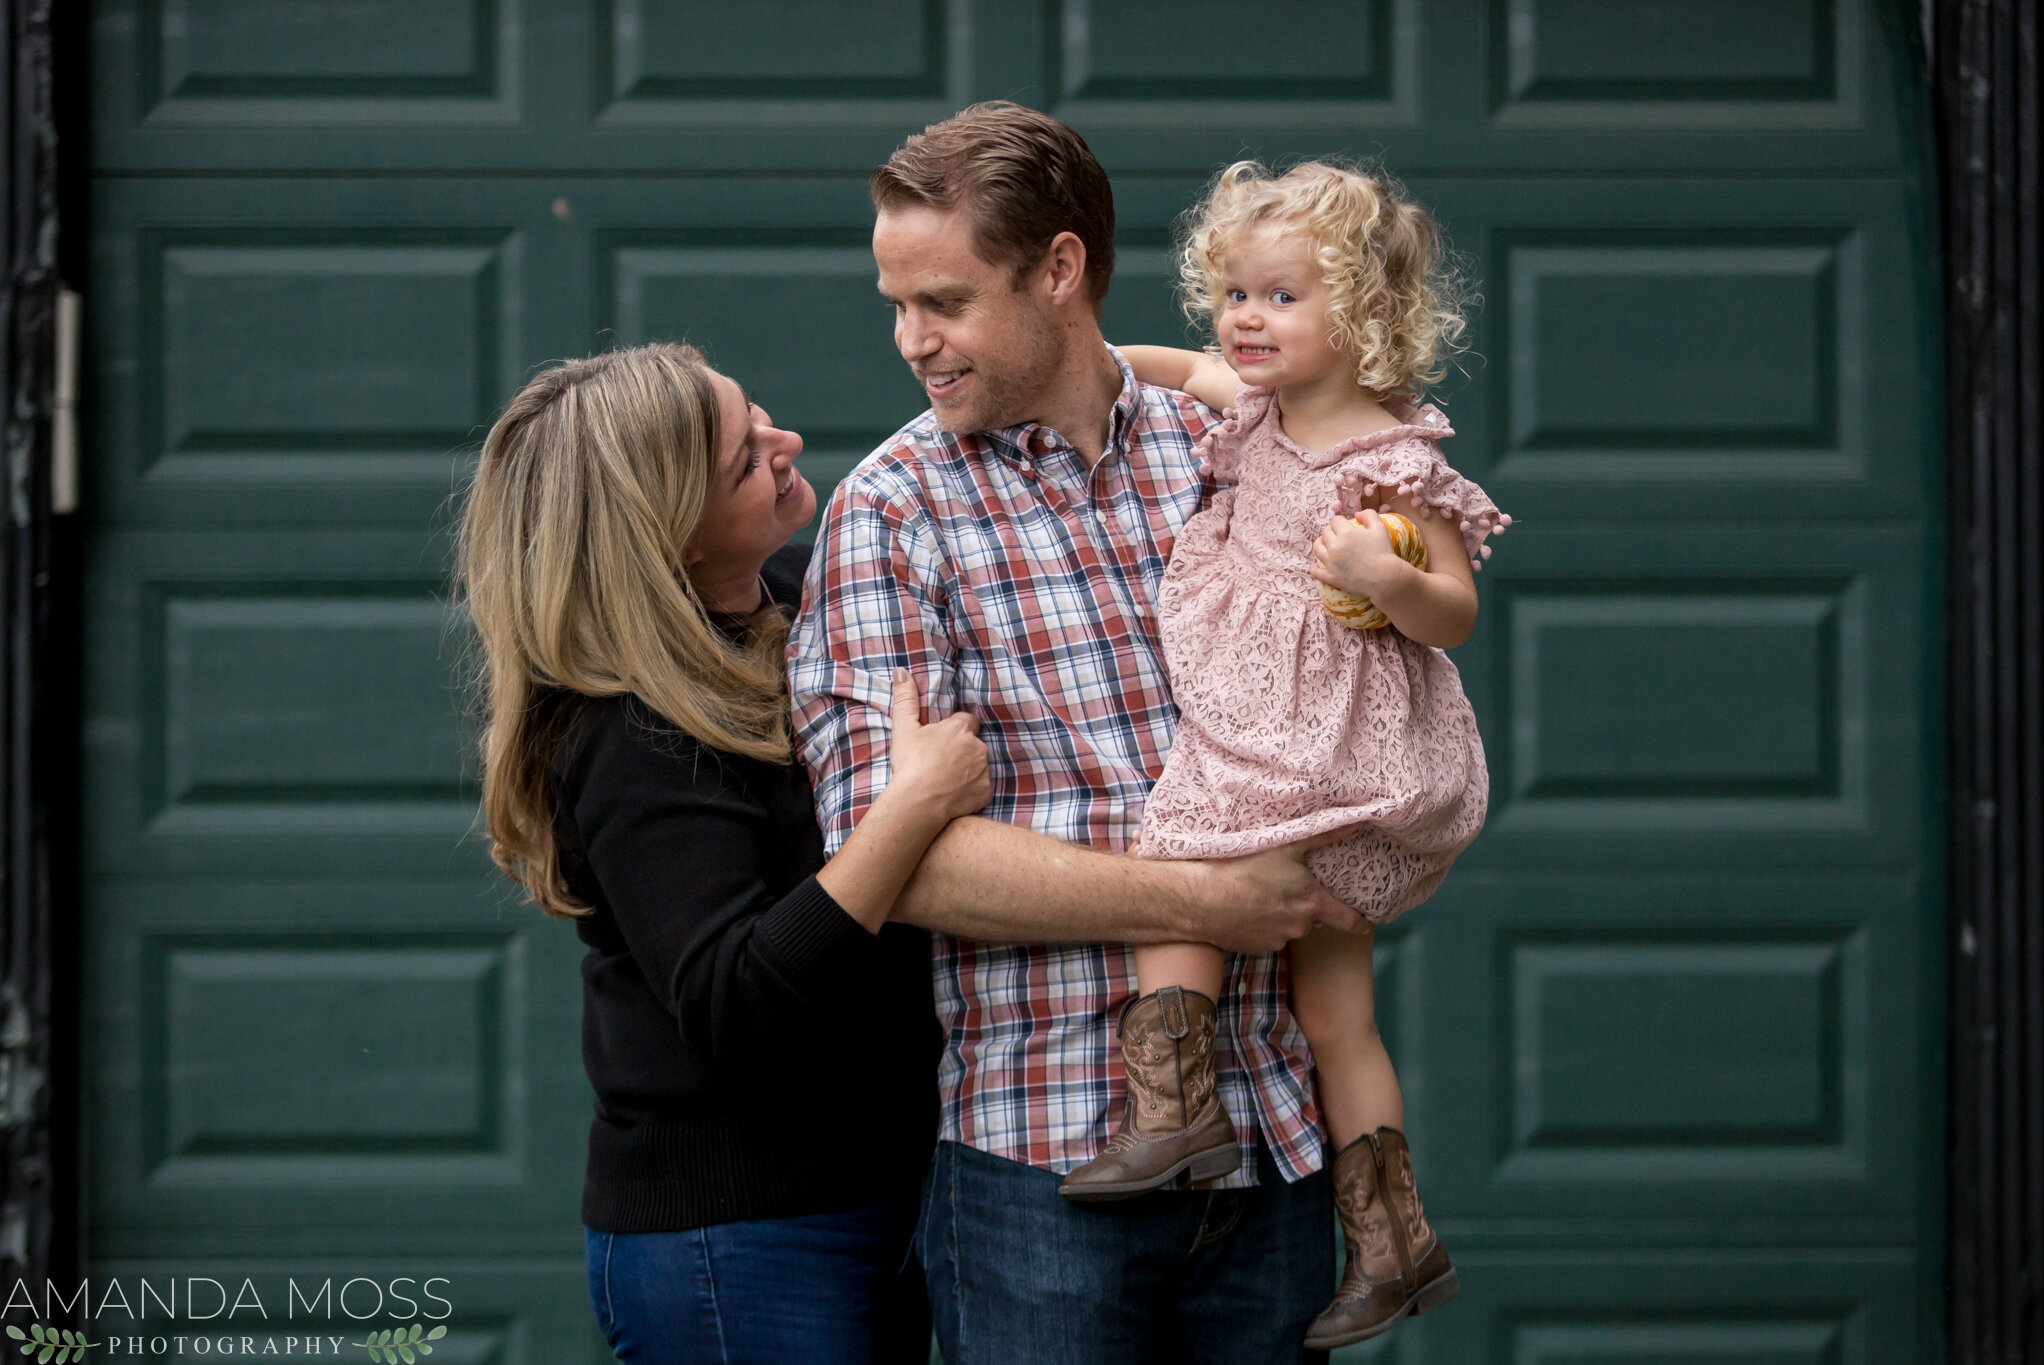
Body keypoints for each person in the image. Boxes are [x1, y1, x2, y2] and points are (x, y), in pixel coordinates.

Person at [788, 103, 1363, 1364]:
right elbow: (902, 866)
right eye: (895, 305)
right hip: (1037, 1166)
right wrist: (1202, 903)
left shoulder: (1233, 452)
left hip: (1274, 1140)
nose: (910, 343)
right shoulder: (891, 517)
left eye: (941, 301)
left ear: (1057, 269)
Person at [458, 342, 990, 1365]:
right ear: (669, 538)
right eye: (746, 459)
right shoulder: (625, 730)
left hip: (890, 1199)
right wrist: (911, 811)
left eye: (760, 418)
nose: (785, 445)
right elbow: (732, 997)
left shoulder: (797, 596)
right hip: (737, 1245)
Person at [1066, 159, 1508, 1349]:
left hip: (1315, 745)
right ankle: (1391, 1244)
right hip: (1301, 740)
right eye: (1236, 292)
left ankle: (1173, 1111)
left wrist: (1388, 576)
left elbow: (1453, 613)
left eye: (1281, 298)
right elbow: (1155, 367)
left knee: (1185, 860)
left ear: (1361, 317)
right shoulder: (1248, 413)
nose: (1244, 319)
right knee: (1335, 1015)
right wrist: (1082, 368)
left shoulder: (1390, 462)